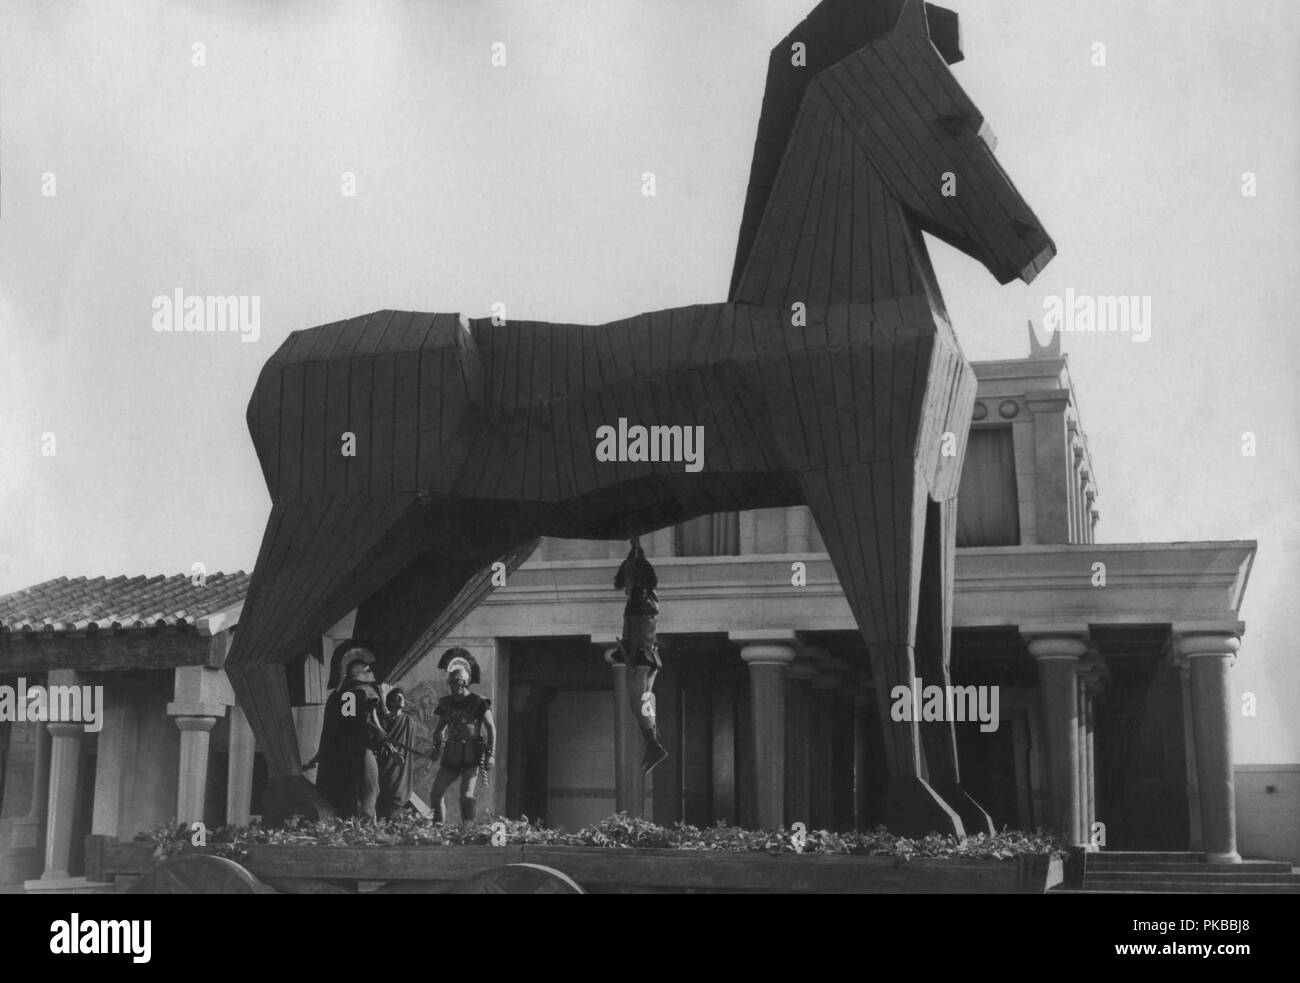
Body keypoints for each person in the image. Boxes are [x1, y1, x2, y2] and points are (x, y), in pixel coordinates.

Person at [304, 642, 388, 820]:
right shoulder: (364, 691)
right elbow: (363, 720)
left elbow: (335, 728)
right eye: (367, 670)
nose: (371, 673)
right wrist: (380, 733)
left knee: (357, 790)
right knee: (371, 789)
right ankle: (366, 826)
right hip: (359, 747)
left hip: (343, 750)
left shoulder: (339, 695)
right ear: (360, 672)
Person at [612, 537, 668, 772]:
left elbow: (633, 631)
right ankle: (653, 741)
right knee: (645, 702)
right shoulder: (651, 598)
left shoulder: (638, 600)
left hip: (640, 656)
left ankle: (654, 744)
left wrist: (634, 559)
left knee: (637, 703)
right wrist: (636, 550)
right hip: (649, 656)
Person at [428, 649, 495, 823]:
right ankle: (438, 829)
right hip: (451, 753)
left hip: (471, 753)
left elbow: (490, 728)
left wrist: (491, 755)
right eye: (450, 684)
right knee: (436, 794)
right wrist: (436, 748)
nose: (452, 687)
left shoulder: (478, 702)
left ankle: (468, 831)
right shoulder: (446, 702)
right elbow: (439, 729)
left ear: (464, 682)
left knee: (466, 796)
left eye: (456, 683)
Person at [377, 687, 417, 819]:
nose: (401, 699)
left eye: (403, 697)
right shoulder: (382, 721)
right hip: (384, 764)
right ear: (391, 701)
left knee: (396, 800)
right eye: (397, 697)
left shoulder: (408, 721)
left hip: (400, 769)